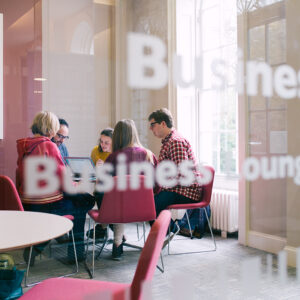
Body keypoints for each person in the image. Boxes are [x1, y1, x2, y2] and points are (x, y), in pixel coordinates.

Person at [16, 111, 94, 265]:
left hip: (28, 203)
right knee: (84, 203)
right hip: (47, 204)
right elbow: (64, 180)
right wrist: (77, 186)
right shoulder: (49, 146)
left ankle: (41, 244)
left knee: (79, 200)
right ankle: (72, 253)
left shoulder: (24, 146)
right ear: (51, 129)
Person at [95, 119, 157, 260]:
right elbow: (157, 183)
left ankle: (113, 240)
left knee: (111, 198)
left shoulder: (114, 157)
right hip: (144, 209)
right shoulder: (148, 154)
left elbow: (102, 185)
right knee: (119, 199)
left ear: (116, 136)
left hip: (118, 209)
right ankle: (114, 238)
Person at [148, 108, 202, 218]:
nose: (150, 128)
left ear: (163, 123)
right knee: (150, 201)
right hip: (178, 189)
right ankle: (168, 231)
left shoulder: (175, 142)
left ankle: (168, 231)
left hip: (186, 191)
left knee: (151, 206)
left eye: (152, 125)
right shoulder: (169, 141)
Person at [86, 128, 113, 239]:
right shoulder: (95, 151)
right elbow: (92, 173)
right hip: (100, 188)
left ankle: (104, 227)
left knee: (101, 193)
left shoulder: (116, 154)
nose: (103, 145)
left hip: (114, 190)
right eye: (101, 141)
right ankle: (107, 227)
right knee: (99, 192)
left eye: (106, 142)